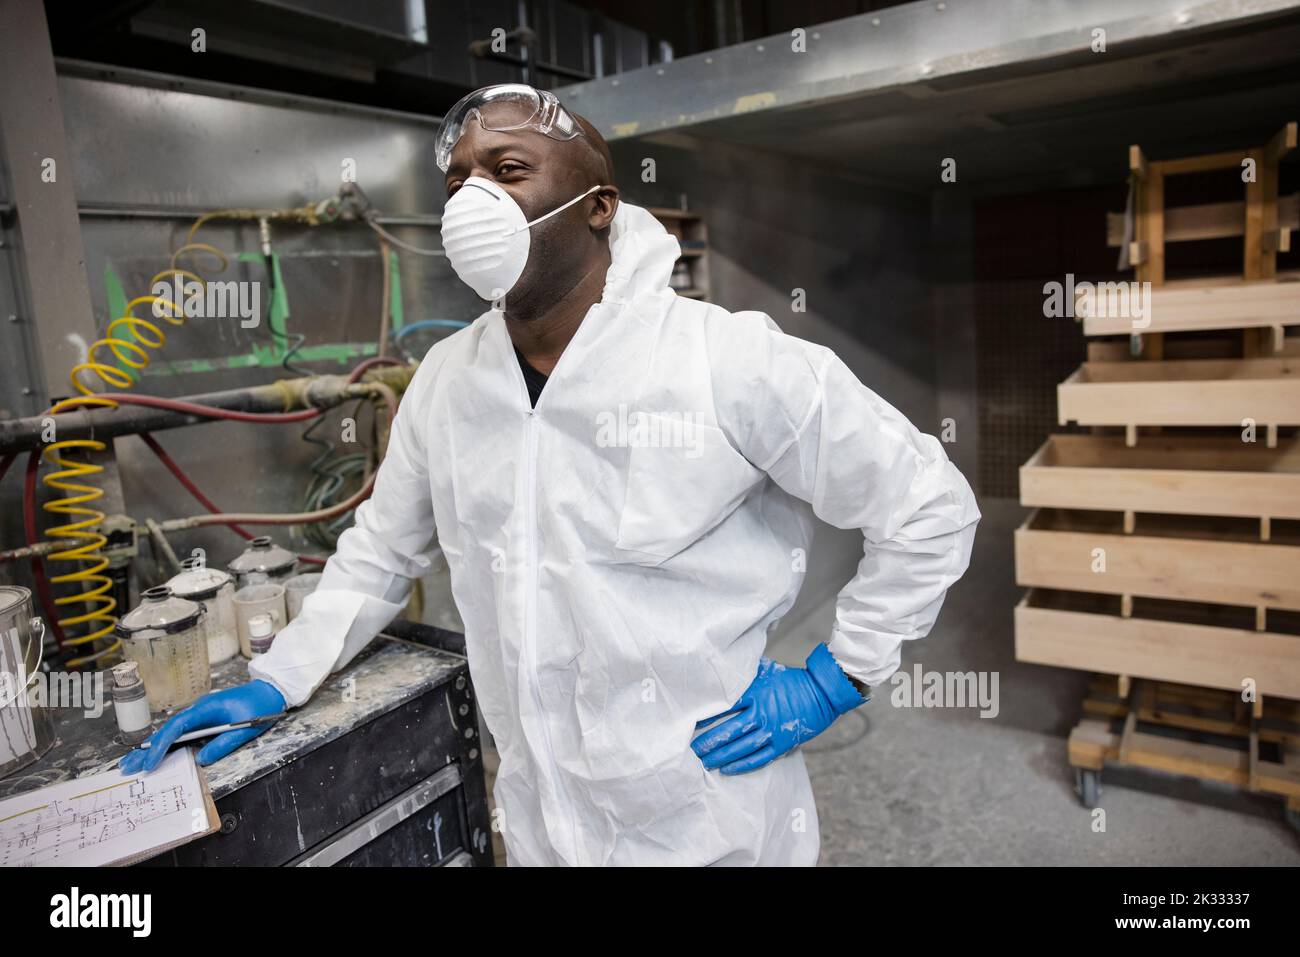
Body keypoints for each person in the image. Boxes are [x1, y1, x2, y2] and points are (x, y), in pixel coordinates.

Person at [121, 83, 980, 866]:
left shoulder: (726, 359)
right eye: (458, 181)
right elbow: (382, 551)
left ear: (598, 205)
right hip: (540, 821)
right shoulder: (448, 382)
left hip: (708, 816)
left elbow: (928, 508)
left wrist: (838, 676)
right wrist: (280, 675)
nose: (472, 202)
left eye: (507, 170)